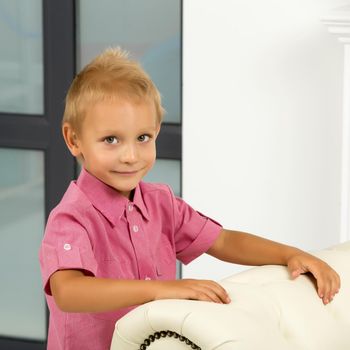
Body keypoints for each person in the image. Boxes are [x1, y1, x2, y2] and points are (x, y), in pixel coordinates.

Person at [39, 47, 340, 350]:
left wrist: (290, 254)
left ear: (156, 132)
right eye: (111, 140)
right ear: (73, 139)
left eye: (143, 138)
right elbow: (69, 291)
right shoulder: (72, 217)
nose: (130, 156)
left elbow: (223, 241)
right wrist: (161, 290)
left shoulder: (162, 203)